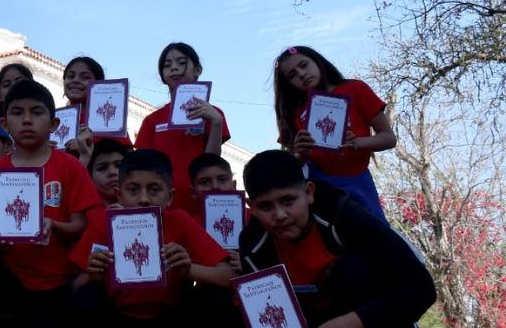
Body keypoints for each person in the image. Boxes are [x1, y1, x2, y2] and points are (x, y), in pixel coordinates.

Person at [0, 80, 99, 327]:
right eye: (17, 113)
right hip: (10, 274)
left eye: (36, 113)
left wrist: (53, 225)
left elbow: (80, 225)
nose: (27, 120)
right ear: (5, 124)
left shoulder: (70, 167)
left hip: (57, 280)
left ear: (53, 125)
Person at [239, 150, 436, 328]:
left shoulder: (345, 216)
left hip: (365, 316)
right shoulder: (252, 247)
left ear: (309, 192)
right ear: (252, 207)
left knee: (357, 267)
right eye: (266, 206)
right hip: (313, 319)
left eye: (288, 201)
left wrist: (352, 322)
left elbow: (422, 287)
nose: (280, 214)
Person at [68, 149, 238, 327]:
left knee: (216, 297)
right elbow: (78, 285)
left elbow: (230, 277)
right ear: (119, 195)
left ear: (170, 197)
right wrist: (95, 275)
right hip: (116, 315)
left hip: (170, 315)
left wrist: (188, 269)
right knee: (85, 299)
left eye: (154, 190)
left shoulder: (178, 221)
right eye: (133, 190)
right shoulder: (106, 220)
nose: (143, 199)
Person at [274, 46, 397, 220]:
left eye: (304, 65)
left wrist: (357, 143)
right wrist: (300, 155)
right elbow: (289, 168)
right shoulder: (292, 113)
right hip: (318, 188)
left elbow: (389, 138)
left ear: (317, 61)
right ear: (288, 84)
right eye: (292, 75)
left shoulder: (355, 89)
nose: (302, 74)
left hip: (359, 180)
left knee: (377, 237)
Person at [135, 43, 229, 214]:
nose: (174, 68)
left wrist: (216, 122)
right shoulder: (151, 120)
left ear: (198, 70)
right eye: (167, 65)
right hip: (163, 205)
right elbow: (142, 166)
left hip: (201, 206)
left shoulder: (214, 114)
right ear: (162, 76)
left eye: (181, 62)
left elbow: (211, 162)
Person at [62, 56, 132, 152]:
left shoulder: (109, 119)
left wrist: (87, 148)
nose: (75, 80)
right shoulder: (54, 120)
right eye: (70, 76)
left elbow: (127, 158)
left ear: (99, 85)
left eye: (85, 77)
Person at [187, 153, 244, 272]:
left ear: (234, 185)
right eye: (205, 182)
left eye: (222, 180)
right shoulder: (188, 226)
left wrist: (249, 263)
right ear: (193, 193)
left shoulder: (255, 218)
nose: (215, 187)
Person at [89, 139, 129, 207]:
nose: (112, 172)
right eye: (102, 168)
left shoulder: (144, 207)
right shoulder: (82, 215)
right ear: (90, 176)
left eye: (118, 166)